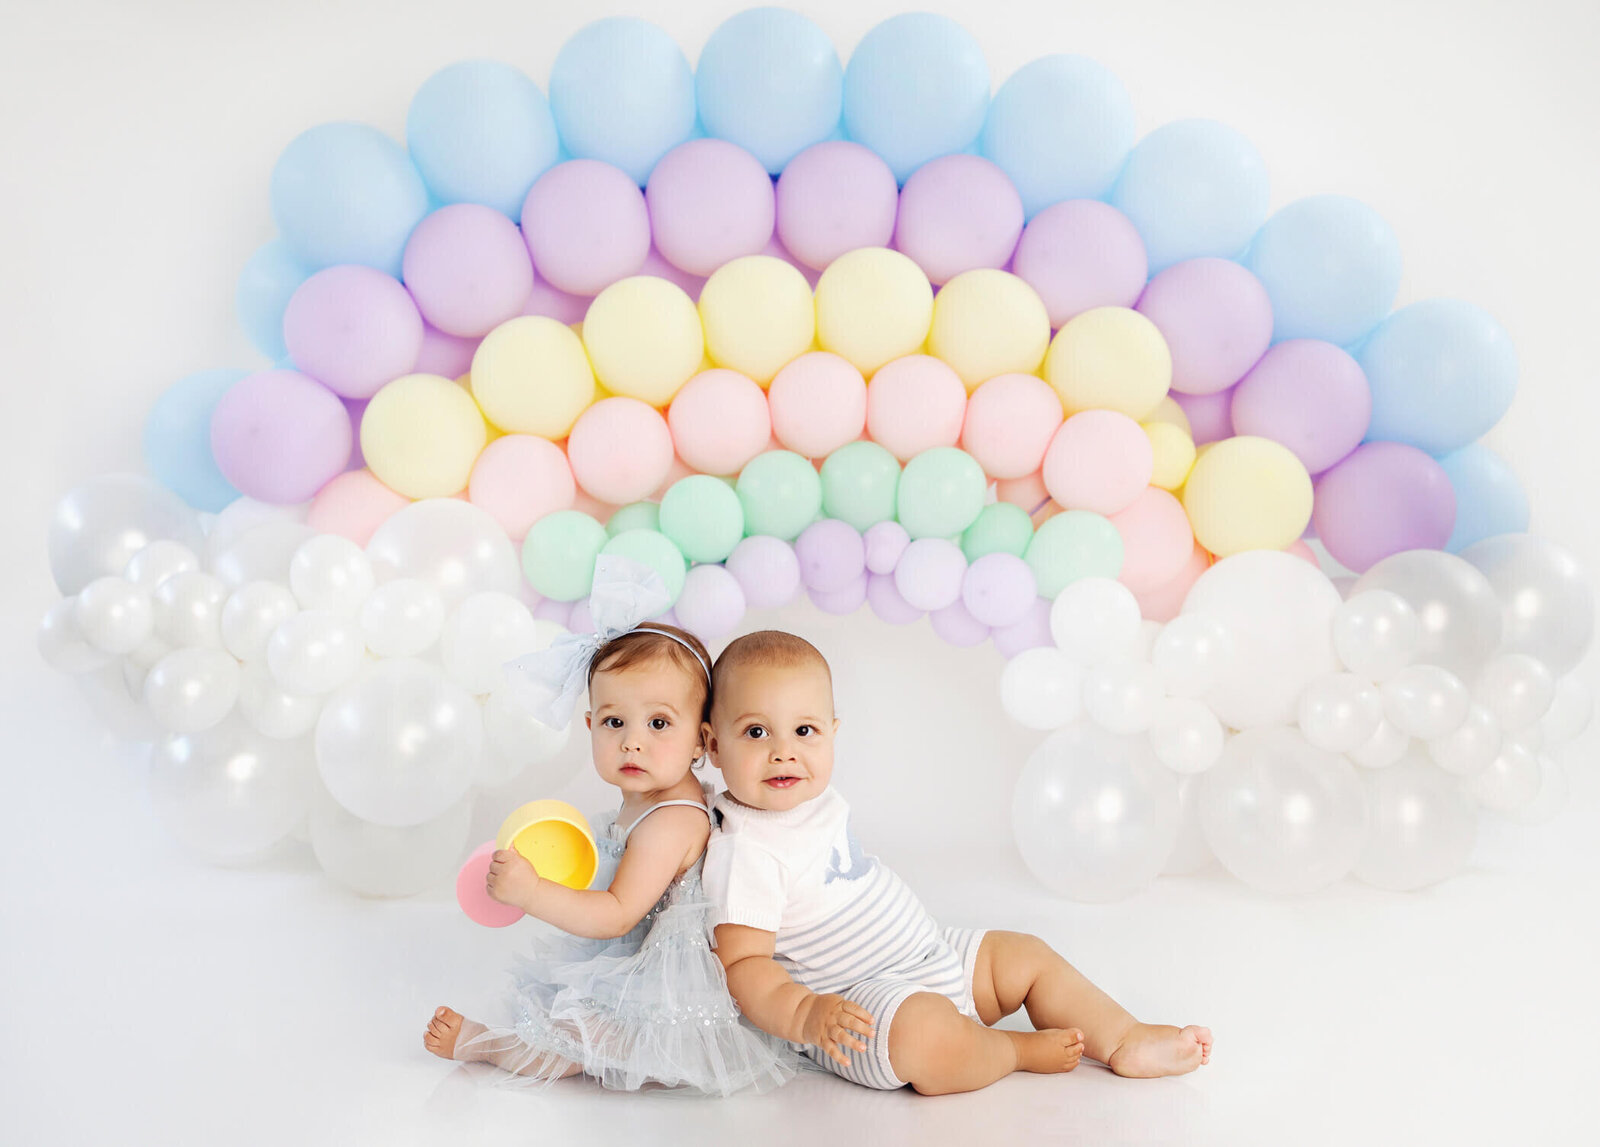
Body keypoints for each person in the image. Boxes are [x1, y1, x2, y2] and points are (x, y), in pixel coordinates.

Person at [702, 629, 1213, 1096]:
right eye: (755, 733)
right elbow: (744, 966)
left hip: (930, 953)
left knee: (1025, 955)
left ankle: (1124, 1037)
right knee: (923, 1035)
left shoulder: (812, 798)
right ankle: (1011, 1051)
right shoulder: (744, 850)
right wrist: (805, 1013)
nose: (783, 752)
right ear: (713, 745)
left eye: (804, 730)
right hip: (858, 1004)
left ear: (833, 732)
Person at [422, 561, 797, 1096]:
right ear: (590, 724)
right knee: (571, 1010)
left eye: (659, 722)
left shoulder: (671, 820)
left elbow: (618, 915)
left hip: (669, 982)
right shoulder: (648, 799)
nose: (632, 741)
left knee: (582, 1037)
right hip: (635, 956)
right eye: (614, 721)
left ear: (701, 740)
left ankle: (487, 1045)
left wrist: (533, 892)